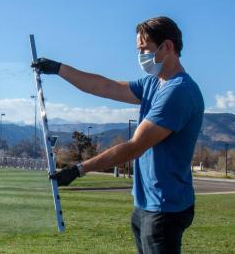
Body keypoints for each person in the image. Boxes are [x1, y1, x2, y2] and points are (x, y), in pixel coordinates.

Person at [32, 16, 203, 254]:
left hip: (165, 208)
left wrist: (79, 169)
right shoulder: (154, 83)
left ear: (167, 47)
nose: (140, 56)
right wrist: (60, 69)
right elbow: (105, 86)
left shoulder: (178, 92)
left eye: (144, 49)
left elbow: (135, 147)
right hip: (145, 204)